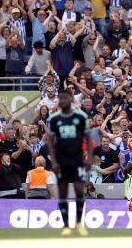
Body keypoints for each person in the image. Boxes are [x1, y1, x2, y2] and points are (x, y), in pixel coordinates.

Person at [47, 91, 93, 236]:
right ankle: (66, 225)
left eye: (65, 98)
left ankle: (79, 223)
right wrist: (53, 161)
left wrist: (90, 158)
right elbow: (50, 141)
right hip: (61, 160)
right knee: (63, 192)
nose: (62, 101)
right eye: (60, 98)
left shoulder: (80, 116)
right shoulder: (54, 118)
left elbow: (88, 137)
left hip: (77, 159)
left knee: (80, 190)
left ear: (71, 100)